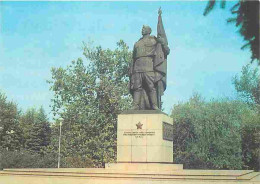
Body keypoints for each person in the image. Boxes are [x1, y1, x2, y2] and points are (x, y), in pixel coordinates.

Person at [130, 23, 170, 110]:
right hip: (137, 69)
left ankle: (154, 105)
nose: (142, 30)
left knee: (151, 87)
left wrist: (163, 42)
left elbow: (166, 51)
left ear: (149, 31)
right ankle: (135, 105)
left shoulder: (154, 40)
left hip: (149, 68)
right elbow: (133, 58)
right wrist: (131, 71)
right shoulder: (137, 43)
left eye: (144, 29)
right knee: (137, 87)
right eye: (142, 28)